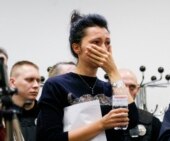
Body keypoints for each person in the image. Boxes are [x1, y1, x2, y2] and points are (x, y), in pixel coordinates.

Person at [37, 10, 138, 141]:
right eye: (96, 42)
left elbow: (132, 121)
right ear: (76, 48)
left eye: (107, 43)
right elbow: (49, 138)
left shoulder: (110, 87)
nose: (103, 49)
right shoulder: (56, 85)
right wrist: (101, 124)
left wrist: (113, 72)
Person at [119, 68, 161, 141]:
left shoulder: (152, 122)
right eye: (122, 87)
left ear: (137, 90)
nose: (127, 92)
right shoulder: (98, 119)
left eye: (132, 87)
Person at [9, 60, 41, 141]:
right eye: (29, 80)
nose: (36, 85)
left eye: (38, 80)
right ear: (13, 82)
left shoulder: (47, 113)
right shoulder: (3, 117)